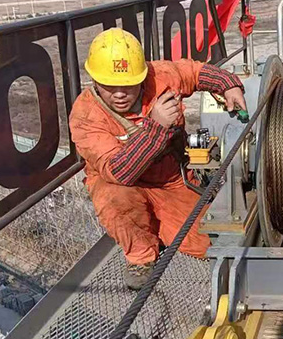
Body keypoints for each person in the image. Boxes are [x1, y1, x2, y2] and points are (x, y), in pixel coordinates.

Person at [69, 28, 247, 289]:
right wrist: (156, 127)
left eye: (128, 85)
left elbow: (194, 72)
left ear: (141, 77)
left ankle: (155, 226)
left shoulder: (159, 77)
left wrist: (227, 84)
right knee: (114, 195)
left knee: (207, 243)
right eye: (109, 86)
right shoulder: (85, 115)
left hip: (170, 181)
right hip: (125, 185)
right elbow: (118, 172)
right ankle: (141, 256)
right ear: (94, 80)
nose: (119, 94)